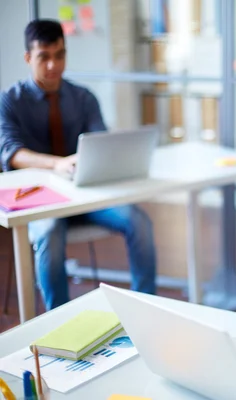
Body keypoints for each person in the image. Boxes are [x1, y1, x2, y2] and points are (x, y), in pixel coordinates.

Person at [0, 19, 157, 310]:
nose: (52, 65)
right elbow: (10, 153)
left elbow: (101, 144)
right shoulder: (10, 101)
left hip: (85, 194)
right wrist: (57, 164)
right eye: (43, 57)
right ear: (27, 58)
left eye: (59, 55)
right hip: (38, 199)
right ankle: (59, 318)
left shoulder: (83, 98)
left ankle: (145, 307)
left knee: (140, 222)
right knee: (48, 233)